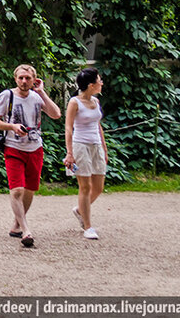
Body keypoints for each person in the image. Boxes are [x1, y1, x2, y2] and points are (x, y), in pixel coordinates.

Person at [0, 63, 61, 248]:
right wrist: (12, 127)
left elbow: (56, 114)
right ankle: (26, 230)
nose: (23, 81)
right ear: (15, 78)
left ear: (34, 80)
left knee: (30, 190)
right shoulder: (7, 95)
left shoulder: (37, 97)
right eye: (20, 78)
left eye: (27, 78)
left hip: (35, 148)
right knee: (17, 190)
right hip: (13, 147)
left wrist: (42, 92)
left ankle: (16, 225)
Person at [64, 67, 108, 240]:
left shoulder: (96, 102)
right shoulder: (74, 102)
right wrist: (69, 153)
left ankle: (80, 210)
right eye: (99, 80)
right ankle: (88, 226)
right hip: (80, 145)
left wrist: (104, 148)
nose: (101, 82)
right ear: (91, 85)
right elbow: (68, 128)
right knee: (85, 186)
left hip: (95, 145)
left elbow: (98, 125)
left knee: (98, 187)